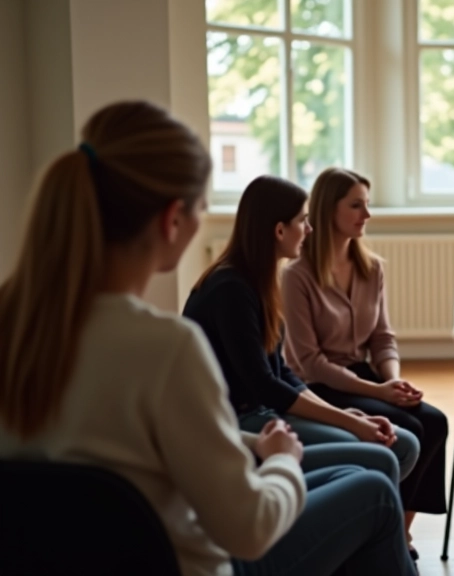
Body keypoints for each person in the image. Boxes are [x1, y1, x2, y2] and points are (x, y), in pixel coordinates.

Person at [0, 100, 416, 576]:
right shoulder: (166, 347)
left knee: (357, 474)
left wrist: (253, 445)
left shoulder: (17, 324)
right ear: (172, 220)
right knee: (377, 494)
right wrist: (281, 460)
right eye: (202, 207)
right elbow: (250, 527)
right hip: (197, 564)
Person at [182, 175, 420, 483]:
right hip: (242, 421)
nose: (309, 229)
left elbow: (282, 371)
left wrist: (348, 416)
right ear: (280, 230)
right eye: (303, 221)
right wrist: (349, 423)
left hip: (266, 411)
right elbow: (265, 385)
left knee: (406, 445)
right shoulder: (231, 289)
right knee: (382, 454)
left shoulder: (261, 281)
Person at [282, 166, 449, 560]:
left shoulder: (372, 268)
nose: (366, 215)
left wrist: (395, 382)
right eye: (356, 205)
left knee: (435, 421)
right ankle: (385, 532)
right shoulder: (297, 275)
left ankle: (400, 531)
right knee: (405, 427)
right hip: (320, 387)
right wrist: (378, 391)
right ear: (327, 210)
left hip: (367, 376)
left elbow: (382, 338)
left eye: (367, 205)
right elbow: (310, 362)